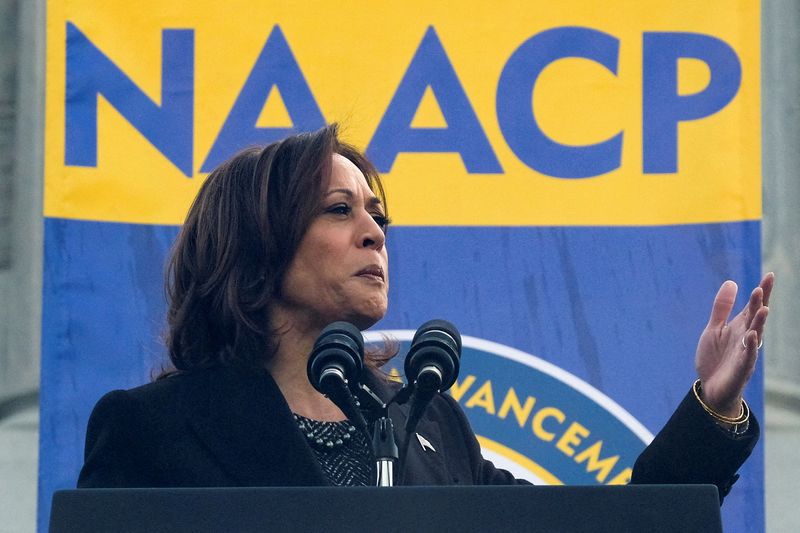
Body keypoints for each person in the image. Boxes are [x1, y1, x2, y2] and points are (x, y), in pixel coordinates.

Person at [78, 125, 772, 498]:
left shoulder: (429, 422)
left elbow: (602, 531)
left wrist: (710, 409)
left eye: (377, 214)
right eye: (339, 209)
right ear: (258, 243)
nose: (375, 232)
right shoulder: (150, 430)